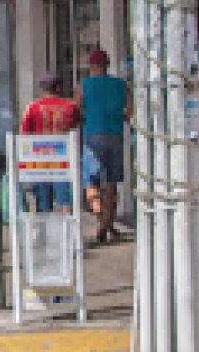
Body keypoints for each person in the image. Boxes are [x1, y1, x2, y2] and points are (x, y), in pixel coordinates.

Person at [75, 49, 129, 243]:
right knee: (112, 183)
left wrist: (88, 117)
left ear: (92, 66)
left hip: (93, 136)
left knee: (91, 182)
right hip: (115, 135)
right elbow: (129, 112)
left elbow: (76, 110)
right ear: (107, 64)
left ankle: (101, 222)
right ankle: (108, 223)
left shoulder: (84, 86)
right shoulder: (121, 85)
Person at [20, 74, 80, 213]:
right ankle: (69, 229)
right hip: (63, 158)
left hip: (40, 159)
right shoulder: (70, 106)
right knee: (66, 198)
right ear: (59, 88)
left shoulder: (33, 107)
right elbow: (77, 124)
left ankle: (44, 229)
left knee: (43, 199)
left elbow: (25, 133)